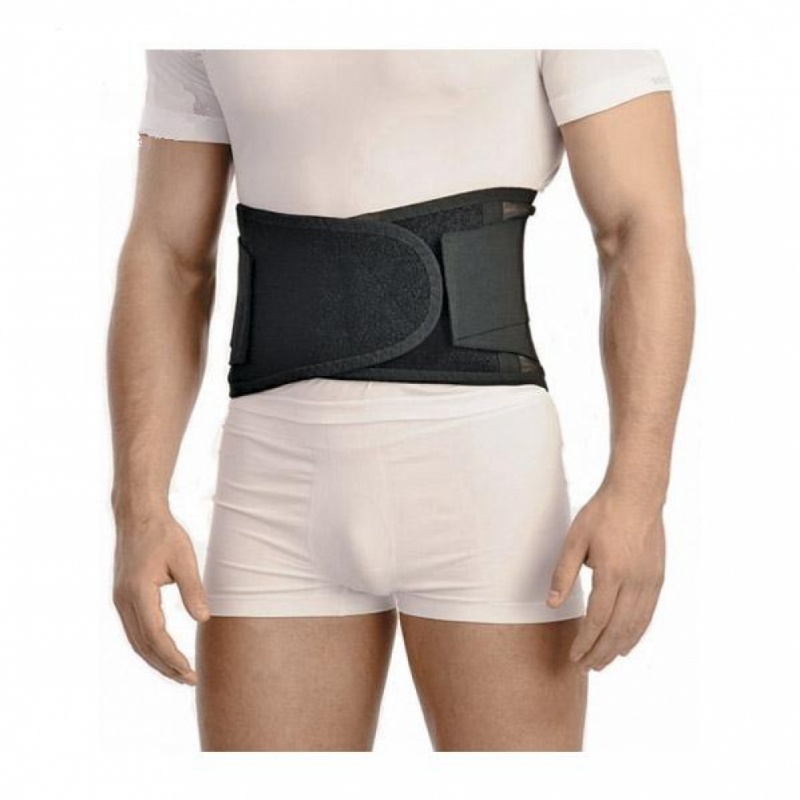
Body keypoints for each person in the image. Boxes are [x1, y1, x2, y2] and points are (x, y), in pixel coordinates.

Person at [107, 49, 694, 751]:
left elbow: (639, 229)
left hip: (486, 487)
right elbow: (167, 255)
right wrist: (138, 509)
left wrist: (639, 492)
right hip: (272, 489)